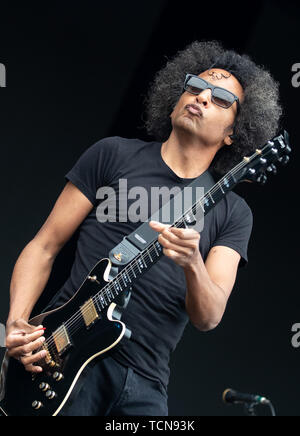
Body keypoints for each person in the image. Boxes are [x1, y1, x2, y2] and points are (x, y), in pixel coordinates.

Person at [4, 40, 282, 416]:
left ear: (234, 132)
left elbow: (209, 316)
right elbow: (44, 247)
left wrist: (192, 265)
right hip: (63, 352)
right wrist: (18, 323)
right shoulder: (112, 155)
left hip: (145, 384)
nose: (201, 98)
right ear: (175, 98)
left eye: (220, 98)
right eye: (195, 87)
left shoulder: (233, 212)